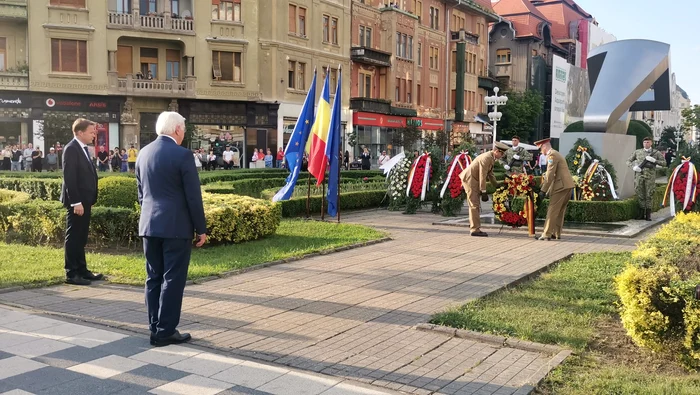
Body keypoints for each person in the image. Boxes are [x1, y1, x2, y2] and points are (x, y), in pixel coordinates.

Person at [136, 111, 207, 347]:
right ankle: (165, 331)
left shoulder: (143, 153)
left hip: (149, 225)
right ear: (177, 130)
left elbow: (140, 194)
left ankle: (154, 326)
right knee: (172, 279)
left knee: (153, 277)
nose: (184, 134)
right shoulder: (183, 155)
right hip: (176, 226)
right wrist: (201, 228)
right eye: (184, 130)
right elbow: (193, 197)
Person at [60, 119, 102, 286]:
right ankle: (72, 273)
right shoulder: (71, 149)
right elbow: (70, 178)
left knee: (81, 236)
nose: (94, 135)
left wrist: (90, 199)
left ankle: (82, 270)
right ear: (80, 132)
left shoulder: (83, 149)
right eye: (91, 132)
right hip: (76, 203)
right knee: (74, 236)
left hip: (85, 201)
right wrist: (76, 202)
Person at [459, 142, 508, 237]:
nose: (502, 156)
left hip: (474, 179)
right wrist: (484, 191)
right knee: (474, 204)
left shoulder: (491, 157)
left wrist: (496, 185)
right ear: (497, 151)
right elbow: (482, 175)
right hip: (470, 180)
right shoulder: (486, 158)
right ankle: (474, 229)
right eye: (501, 154)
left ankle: (474, 226)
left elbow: (490, 174)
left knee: (475, 204)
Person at [535, 138, 575, 240]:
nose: (540, 151)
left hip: (560, 186)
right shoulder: (557, 153)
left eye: (540, 148)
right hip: (567, 185)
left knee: (552, 210)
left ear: (544, 146)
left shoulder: (552, 155)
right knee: (560, 211)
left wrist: (543, 191)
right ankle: (556, 233)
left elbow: (550, 175)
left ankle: (546, 234)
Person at [627, 136, 666, 221]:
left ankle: (648, 215)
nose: (646, 144)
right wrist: (634, 166)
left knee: (649, 194)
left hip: (650, 177)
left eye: (648, 142)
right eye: (644, 142)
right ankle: (641, 214)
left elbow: (664, 163)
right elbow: (628, 161)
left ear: (651, 143)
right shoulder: (637, 152)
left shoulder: (656, 153)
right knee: (640, 194)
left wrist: (654, 161)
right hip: (639, 176)